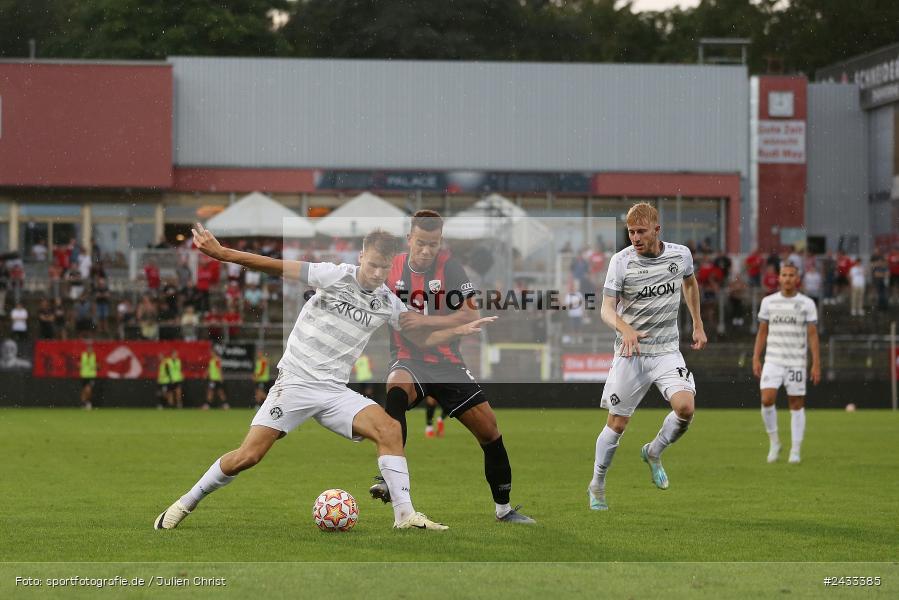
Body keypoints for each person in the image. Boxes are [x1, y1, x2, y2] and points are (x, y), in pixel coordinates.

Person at [154, 224, 492, 532]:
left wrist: (459, 329)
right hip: (296, 383)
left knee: (389, 429)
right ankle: (186, 502)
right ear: (361, 256)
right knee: (248, 456)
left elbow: (421, 338)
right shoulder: (333, 275)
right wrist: (221, 252)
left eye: (384, 267)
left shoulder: (388, 302)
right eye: (372, 264)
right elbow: (275, 266)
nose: (377, 272)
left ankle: (404, 515)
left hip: (333, 391)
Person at [368, 210, 535, 524]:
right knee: (395, 392)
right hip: (409, 359)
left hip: (448, 365)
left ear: (439, 241)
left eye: (432, 244)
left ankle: (504, 510)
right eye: (420, 243)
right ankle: (386, 479)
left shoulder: (451, 267)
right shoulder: (392, 269)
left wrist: (426, 320)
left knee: (490, 432)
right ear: (409, 240)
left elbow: (470, 314)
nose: (426, 250)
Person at [587, 202, 706, 511]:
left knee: (686, 408)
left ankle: (653, 451)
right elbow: (606, 308)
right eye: (630, 232)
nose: (635, 238)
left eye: (641, 231)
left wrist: (698, 323)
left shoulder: (680, 255)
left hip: (667, 350)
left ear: (657, 230)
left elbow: (690, 284)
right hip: (632, 353)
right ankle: (597, 483)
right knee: (617, 423)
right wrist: (624, 328)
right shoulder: (621, 261)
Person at [752, 263, 820, 464]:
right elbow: (762, 332)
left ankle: (796, 450)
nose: (788, 278)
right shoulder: (768, 302)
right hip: (773, 359)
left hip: (796, 361)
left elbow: (813, 336)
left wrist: (816, 363)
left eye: (791, 275)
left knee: (796, 404)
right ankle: (774, 442)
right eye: (784, 275)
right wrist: (756, 357)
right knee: (766, 399)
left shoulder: (807, 304)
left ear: (797, 279)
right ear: (779, 278)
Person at [80, 342, 97, 410]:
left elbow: (98, 365)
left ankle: (88, 403)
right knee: (84, 391)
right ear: (87, 349)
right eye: (89, 349)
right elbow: (79, 364)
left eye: (91, 349)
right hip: (84, 375)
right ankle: (84, 403)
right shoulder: (83, 355)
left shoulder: (94, 356)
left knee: (88, 390)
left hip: (91, 376)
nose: (90, 350)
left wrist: (96, 366)